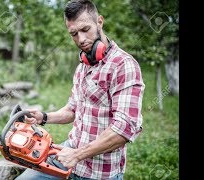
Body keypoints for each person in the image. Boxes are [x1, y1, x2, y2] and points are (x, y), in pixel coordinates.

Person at [15, 0, 145, 179]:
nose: (81, 39)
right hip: (69, 153)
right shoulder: (82, 67)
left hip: (99, 171)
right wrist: (43, 117)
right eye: (74, 34)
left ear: (99, 21)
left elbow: (123, 129)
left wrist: (77, 155)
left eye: (85, 30)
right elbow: (72, 110)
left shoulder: (123, 65)